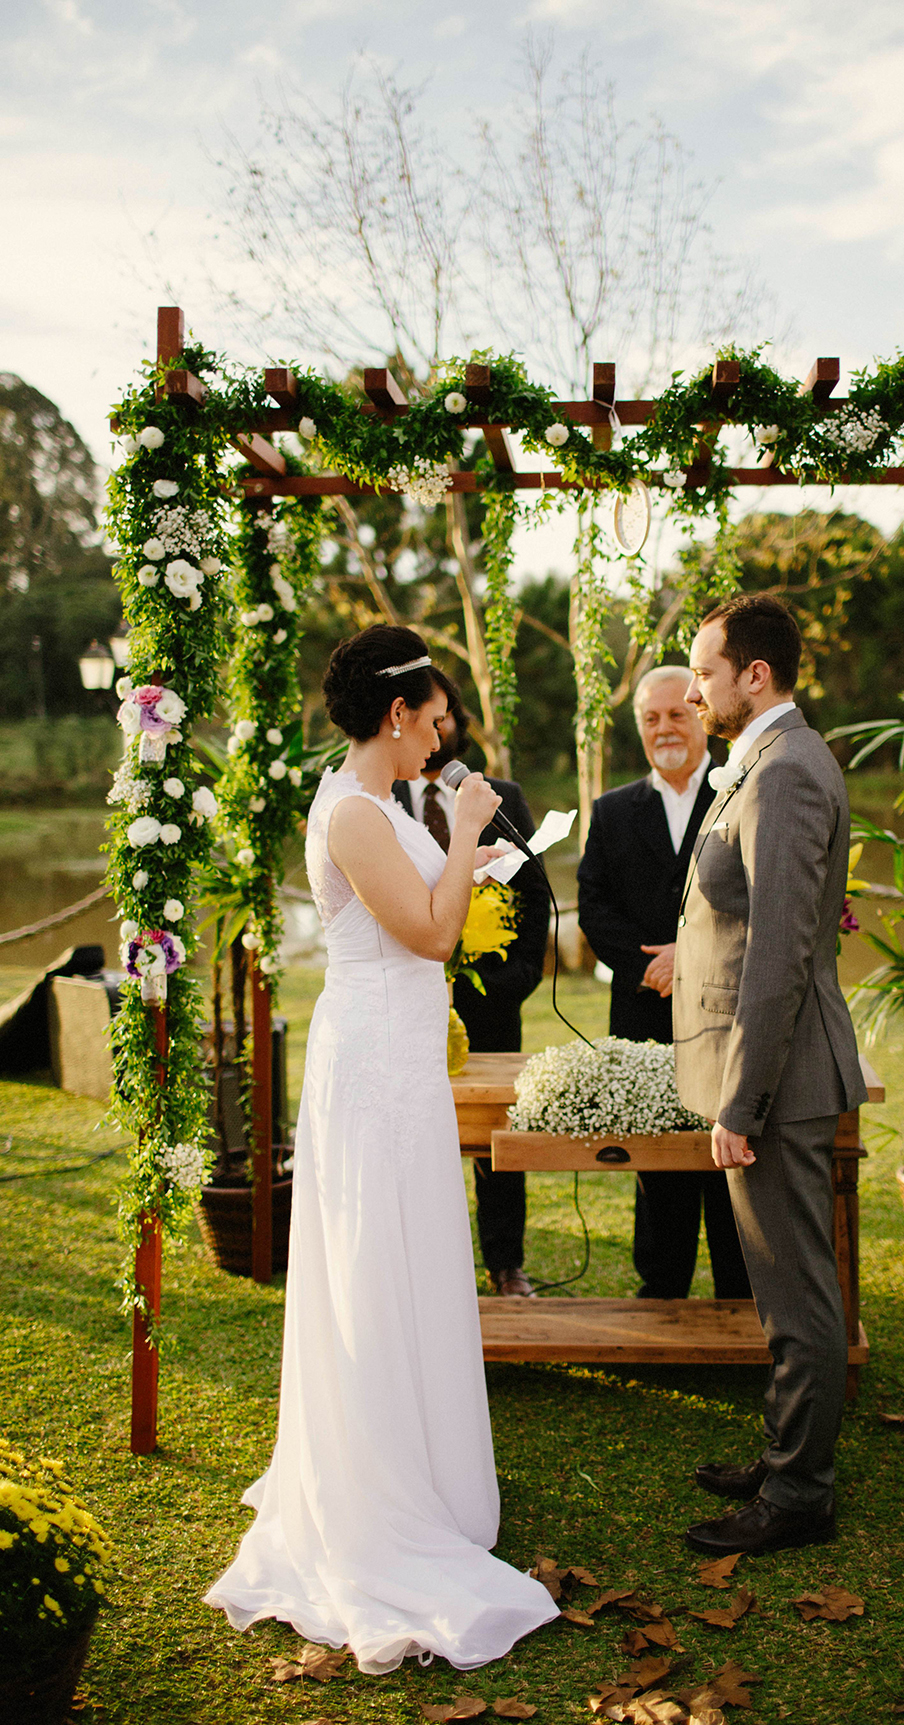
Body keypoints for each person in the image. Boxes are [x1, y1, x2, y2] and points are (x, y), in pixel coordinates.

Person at [205, 624, 558, 1671]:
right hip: (370, 1076)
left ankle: (431, 1466)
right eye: (433, 718)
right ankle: (377, 1487)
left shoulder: (387, 804)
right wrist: (463, 838)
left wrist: (476, 852)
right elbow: (432, 935)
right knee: (373, 1268)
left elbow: (429, 908)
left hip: (404, 1065)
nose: (441, 736)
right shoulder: (354, 812)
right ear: (397, 716)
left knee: (413, 1259)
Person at [672, 593, 867, 1558]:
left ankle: (800, 1495)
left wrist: (741, 1100)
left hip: (778, 1080)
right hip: (769, 1072)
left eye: (705, 672)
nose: (696, 688)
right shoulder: (770, 758)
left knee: (799, 1293)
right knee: (784, 1284)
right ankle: (787, 1453)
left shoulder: (785, 770)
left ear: (756, 675)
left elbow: (781, 954)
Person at [577, 665, 751, 1302]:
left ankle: (739, 1291)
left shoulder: (741, 793)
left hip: (726, 1012)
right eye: (650, 718)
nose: (664, 728)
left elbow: (758, 897)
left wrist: (692, 956)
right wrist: (650, 965)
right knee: (657, 1159)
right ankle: (663, 1287)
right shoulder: (613, 810)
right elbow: (594, 907)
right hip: (643, 1011)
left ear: (701, 715)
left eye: (676, 713)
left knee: (728, 1157)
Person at [393, 669, 549, 1298]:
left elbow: (534, 899)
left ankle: (506, 1265)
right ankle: (424, 1272)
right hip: (406, 998)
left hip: (491, 1001)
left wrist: (518, 978)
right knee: (413, 1134)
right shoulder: (383, 803)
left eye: (448, 716)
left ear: (456, 721)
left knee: (497, 1142)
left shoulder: (498, 795)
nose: (440, 730)